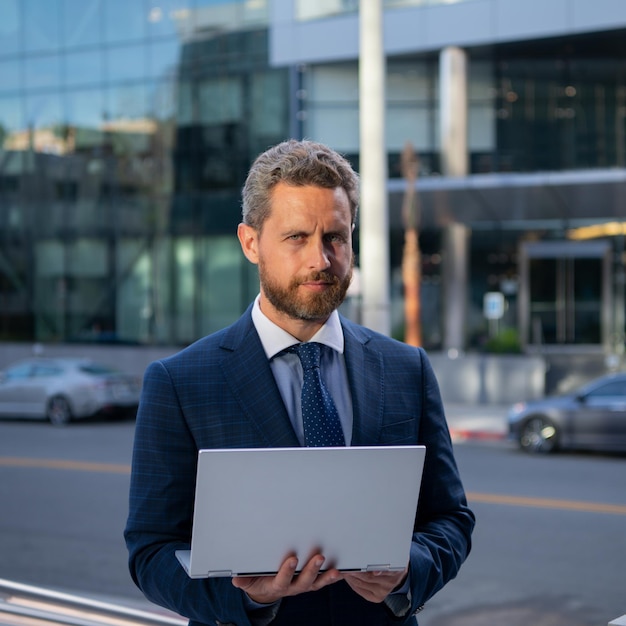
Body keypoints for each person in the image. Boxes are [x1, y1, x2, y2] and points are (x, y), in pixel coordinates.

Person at [124, 139, 475, 626]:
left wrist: (407, 573)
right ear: (251, 243)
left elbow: (451, 520)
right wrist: (252, 599)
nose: (321, 260)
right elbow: (151, 551)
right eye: (296, 238)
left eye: (335, 237)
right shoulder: (179, 382)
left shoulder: (406, 368)